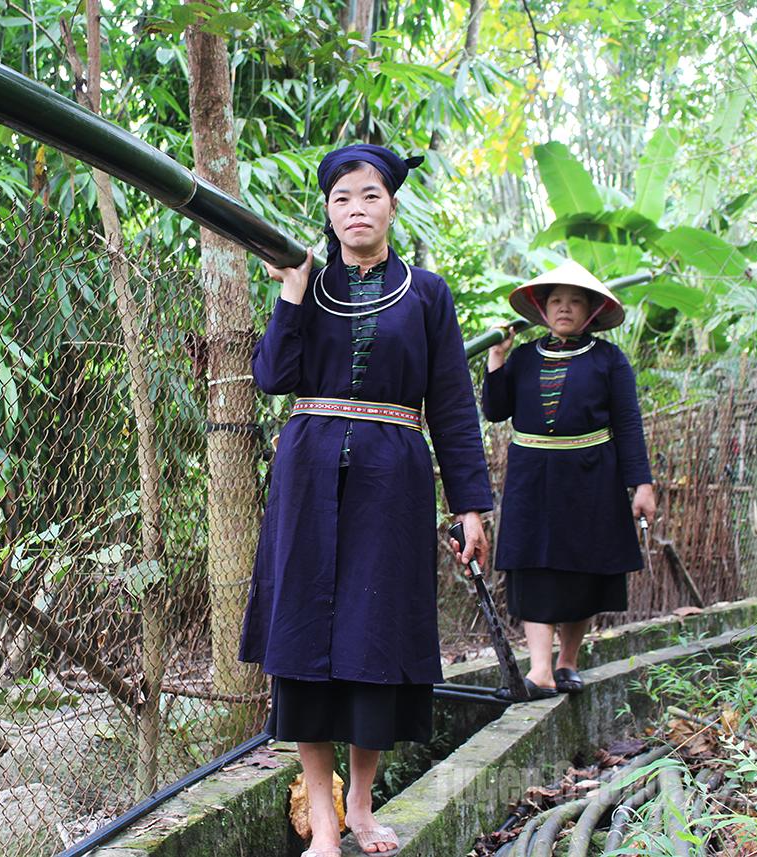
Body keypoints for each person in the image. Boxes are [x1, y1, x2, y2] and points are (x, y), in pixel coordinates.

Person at [238, 143, 494, 857]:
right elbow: (273, 376)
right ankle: (322, 823)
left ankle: (361, 803)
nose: (357, 208)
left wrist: (470, 505)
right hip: (310, 476)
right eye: (343, 197)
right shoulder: (307, 285)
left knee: (373, 638)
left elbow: (450, 402)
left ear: (391, 205)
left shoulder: (426, 293)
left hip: (394, 480)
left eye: (370, 195)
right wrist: (289, 292)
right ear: (327, 208)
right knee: (305, 648)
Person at [482, 261, 656, 701]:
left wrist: (643, 485)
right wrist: (497, 358)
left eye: (575, 301)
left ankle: (567, 662)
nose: (564, 308)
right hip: (531, 479)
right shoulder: (523, 357)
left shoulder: (609, 361)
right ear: (541, 309)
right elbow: (495, 410)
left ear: (591, 311)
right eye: (556, 300)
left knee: (582, 571)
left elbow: (629, 425)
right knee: (534, 569)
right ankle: (539, 669)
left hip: (591, 478)